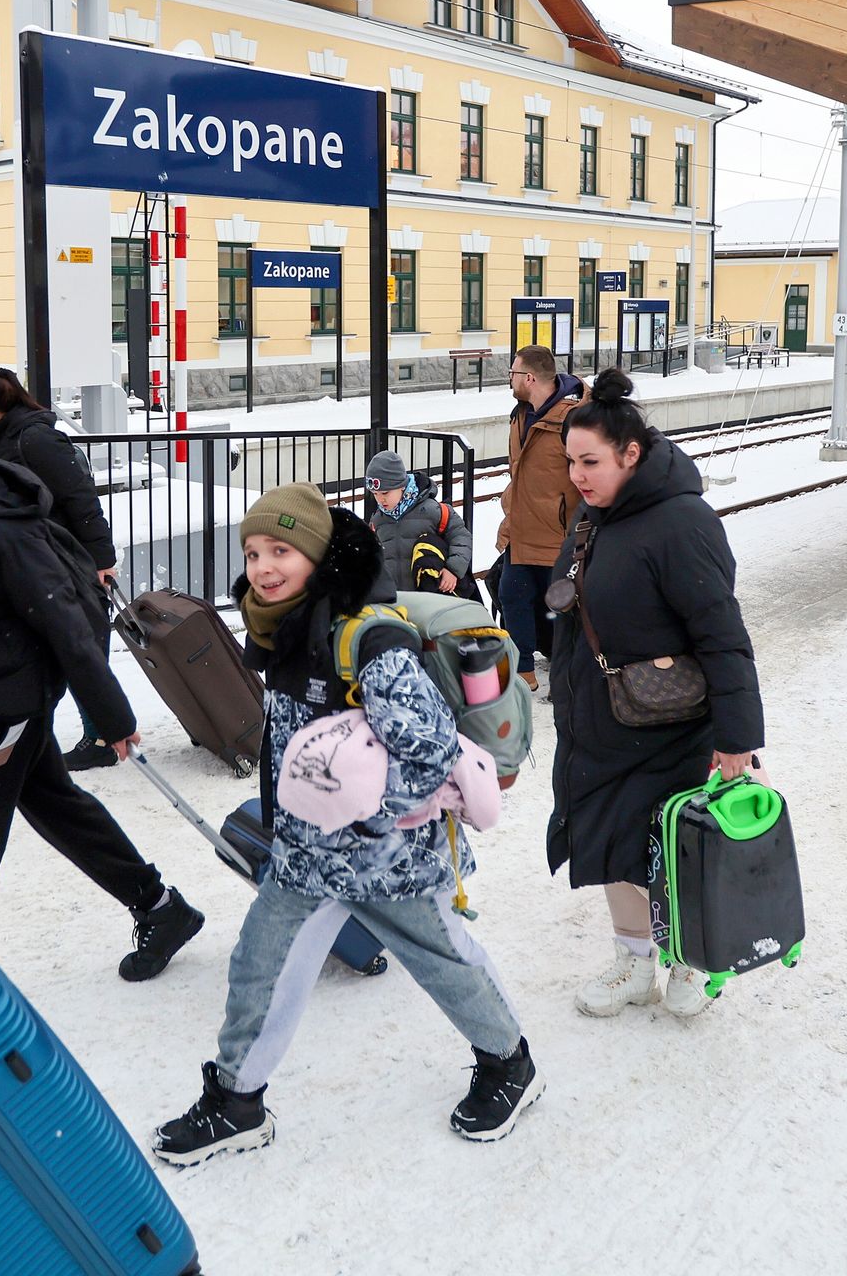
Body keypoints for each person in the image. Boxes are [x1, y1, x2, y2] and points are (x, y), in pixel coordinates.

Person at [153, 484, 540, 1166]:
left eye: (282, 550)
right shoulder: (283, 627)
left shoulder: (369, 638)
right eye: (254, 551)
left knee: (445, 963)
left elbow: (429, 748)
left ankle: (509, 1064)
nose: (265, 566)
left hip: (387, 858)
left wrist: (367, 818)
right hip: (305, 857)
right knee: (260, 968)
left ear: (318, 555)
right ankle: (236, 1101)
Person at [0, 393, 202, 978]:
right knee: (59, 808)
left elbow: (66, 624)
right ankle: (161, 908)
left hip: (6, 707)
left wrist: (112, 716)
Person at [545, 370, 765, 1020]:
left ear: (631, 454)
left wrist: (737, 741)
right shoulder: (595, 518)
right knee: (611, 846)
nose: (578, 475)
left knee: (676, 849)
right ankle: (636, 963)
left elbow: (724, 636)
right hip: (601, 724)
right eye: (571, 462)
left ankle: (694, 959)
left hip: (671, 726)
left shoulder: (682, 521)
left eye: (591, 462)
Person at [0, 367, 125, 771]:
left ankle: (102, 736)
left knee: (75, 645)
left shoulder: (35, 438)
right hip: (24, 559)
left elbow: (80, 498)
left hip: (61, 559)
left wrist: (101, 559)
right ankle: (6, 731)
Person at [496, 344, 583, 689]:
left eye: (513, 373)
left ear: (529, 378)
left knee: (563, 608)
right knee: (511, 593)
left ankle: (567, 672)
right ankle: (523, 669)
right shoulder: (520, 413)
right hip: (521, 527)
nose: (510, 380)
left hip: (557, 534)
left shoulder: (574, 417)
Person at [364, 449, 471, 594]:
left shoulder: (432, 510)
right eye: (375, 494)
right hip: (397, 600)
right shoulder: (377, 520)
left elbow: (461, 536)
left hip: (431, 597)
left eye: (385, 493)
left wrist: (453, 569)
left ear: (401, 486)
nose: (380, 499)